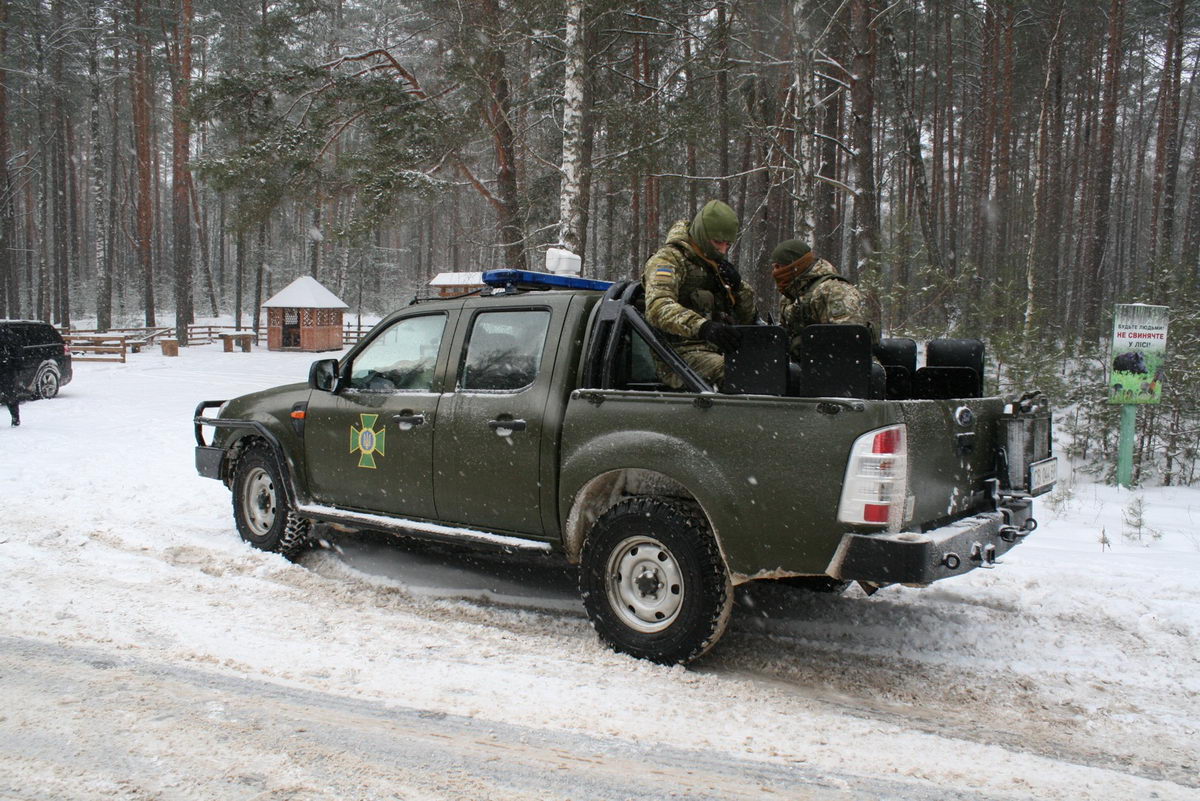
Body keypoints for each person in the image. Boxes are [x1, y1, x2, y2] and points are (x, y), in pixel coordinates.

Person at [642, 200, 757, 389]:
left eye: (727, 244)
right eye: (717, 242)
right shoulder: (668, 259)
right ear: (702, 235)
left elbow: (747, 318)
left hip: (718, 351)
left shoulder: (715, 265)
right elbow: (657, 307)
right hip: (677, 355)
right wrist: (703, 327)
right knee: (745, 374)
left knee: (777, 370)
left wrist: (738, 289)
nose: (722, 250)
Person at [769, 239, 871, 357]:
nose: (775, 272)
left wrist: (803, 344)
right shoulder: (790, 296)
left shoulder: (834, 291)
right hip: (807, 367)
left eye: (778, 266)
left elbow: (850, 340)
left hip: (840, 368)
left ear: (795, 266)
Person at [0, 341, 21, 426]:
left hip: (6, 369)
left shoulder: (6, 335)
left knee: (9, 394)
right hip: (7, 369)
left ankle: (15, 418)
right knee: (10, 394)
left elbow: (17, 351)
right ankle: (15, 417)